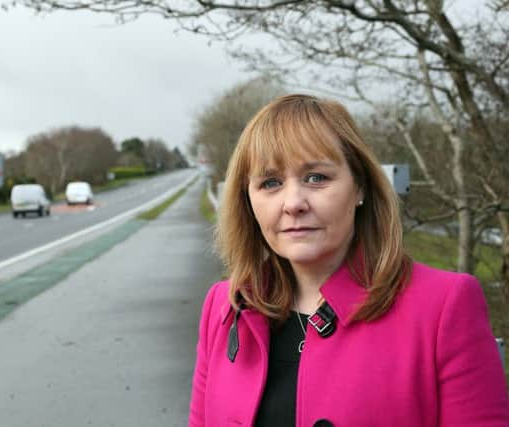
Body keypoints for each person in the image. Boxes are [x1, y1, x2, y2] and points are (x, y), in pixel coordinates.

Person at [188, 94, 509, 427]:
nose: (293, 203)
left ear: (360, 188)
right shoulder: (224, 307)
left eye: (316, 178)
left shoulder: (444, 307)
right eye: (271, 183)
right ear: (248, 201)